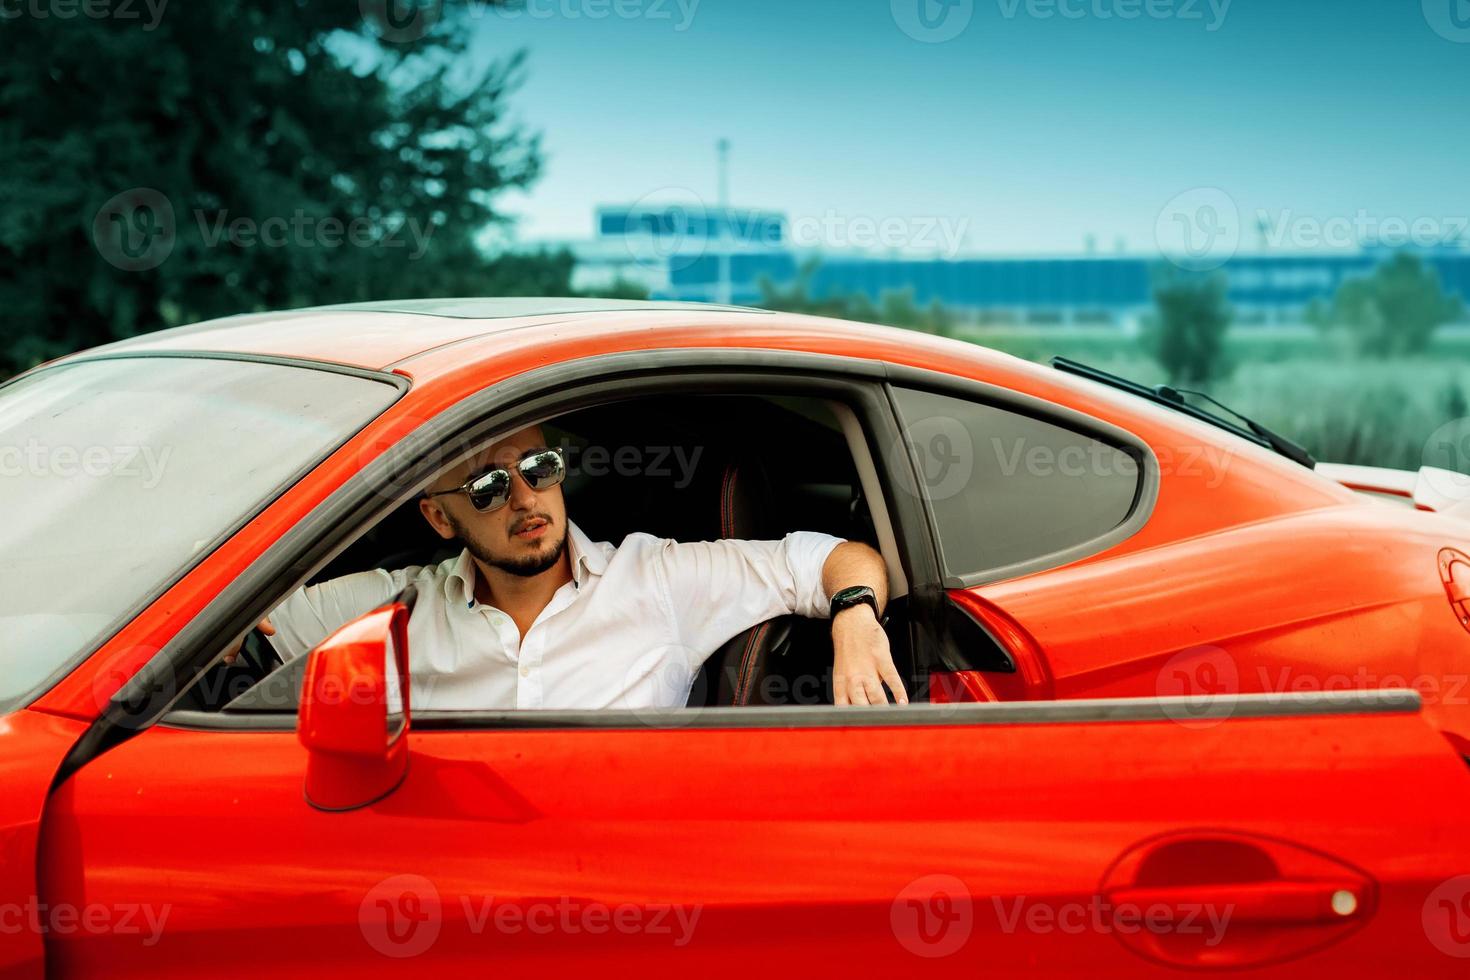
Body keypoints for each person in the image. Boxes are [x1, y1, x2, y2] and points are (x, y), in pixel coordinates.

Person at [237, 424, 906, 711]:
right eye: (489, 488)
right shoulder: (398, 608)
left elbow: (833, 557)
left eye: (538, 469)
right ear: (442, 520)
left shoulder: (657, 578)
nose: (525, 498)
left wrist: (855, 619)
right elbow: (227, 619)